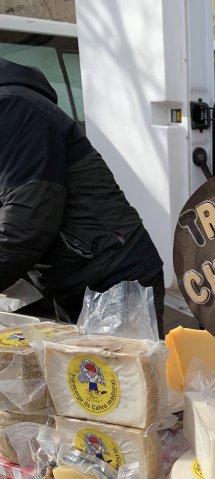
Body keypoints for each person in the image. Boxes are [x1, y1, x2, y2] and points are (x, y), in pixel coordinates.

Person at [0, 57, 165, 335]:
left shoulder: (15, 108)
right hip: (69, 280)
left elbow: (27, 222)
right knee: (76, 375)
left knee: (119, 376)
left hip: (113, 280)